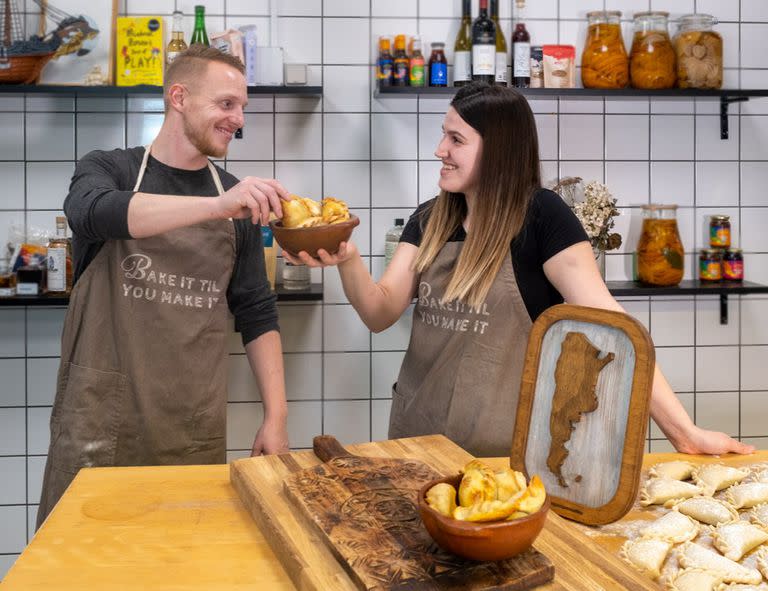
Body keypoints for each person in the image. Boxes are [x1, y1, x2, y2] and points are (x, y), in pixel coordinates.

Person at [286, 82, 754, 459]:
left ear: (499, 150)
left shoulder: (542, 218)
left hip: (504, 458)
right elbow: (379, 311)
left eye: (456, 139)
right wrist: (346, 259)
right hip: (416, 443)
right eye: (442, 135)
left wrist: (684, 432)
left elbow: (617, 329)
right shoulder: (429, 219)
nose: (438, 150)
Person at [37, 46, 291, 527]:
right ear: (179, 96)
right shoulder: (110, 169)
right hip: (98, 423)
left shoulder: (231, 195)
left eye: (241, 108)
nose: (238, 119)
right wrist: (217, 207)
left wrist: (275, 418)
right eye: (226, 104)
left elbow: (256, 311)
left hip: (189, 426)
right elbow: (92, 213)